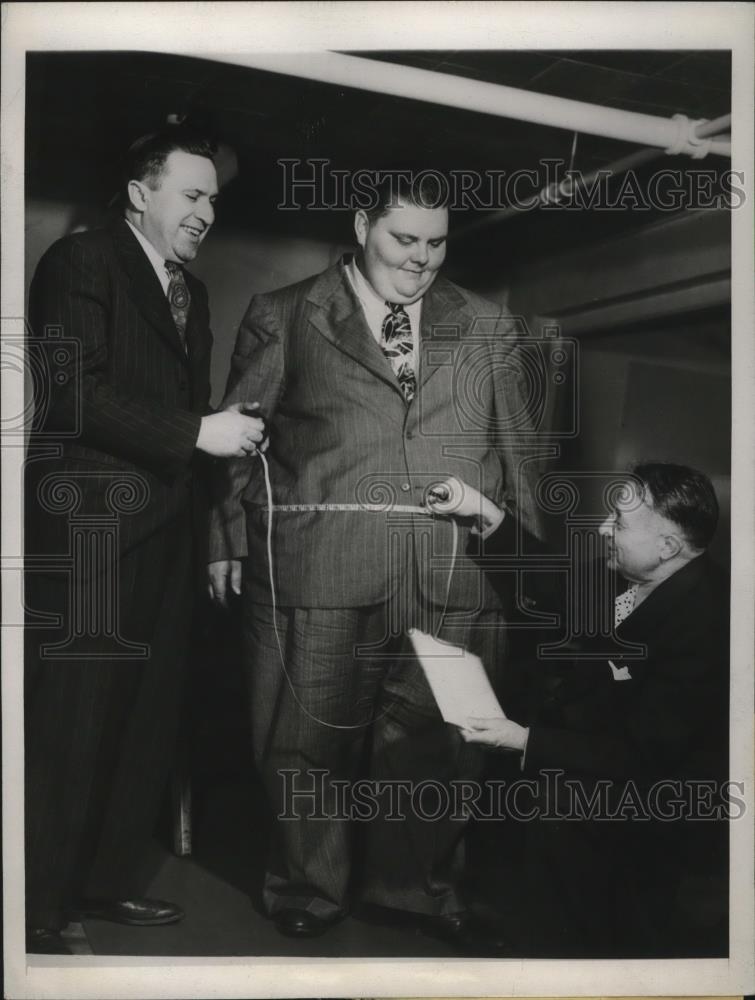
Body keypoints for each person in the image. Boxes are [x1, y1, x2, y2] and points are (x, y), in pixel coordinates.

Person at [208, 172, 542, 949]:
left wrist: (528, 564)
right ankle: (307, 885)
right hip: (319, 568)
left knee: (446, 744)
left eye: (437, 243)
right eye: (404, 239)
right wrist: (226, 539)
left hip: (455, 577)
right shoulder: (284, 313)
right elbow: (238, 436)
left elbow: (520, 456)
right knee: (303, 741)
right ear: (362, 226)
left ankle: (415, 889)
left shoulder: (491, 326)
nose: (421, 258)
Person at [24, 127, 266, 954]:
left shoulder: (189, 293)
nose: (206, 213)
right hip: (92, 533)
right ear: (139, 193)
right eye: (191, 195)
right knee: (71, 721)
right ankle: (38, 903)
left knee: (142, 723)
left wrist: (214, 520)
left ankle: (101, 884)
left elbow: (182, 417)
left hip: (167, 534)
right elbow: (71, 394)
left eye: (213, 201)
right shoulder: (80, 262)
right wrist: (199, 432)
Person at [429, 463, 729, 956]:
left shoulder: (708, 625)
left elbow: (645, 756)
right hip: (597, 771)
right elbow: (557, 579)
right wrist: (482, 510)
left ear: (668, 546)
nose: (603, 529)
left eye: (619, 523)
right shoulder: (637, 573)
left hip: (656, 811)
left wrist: (523, 740)